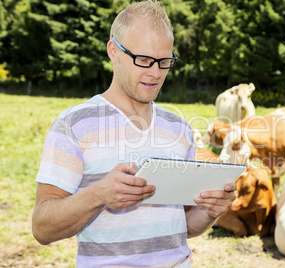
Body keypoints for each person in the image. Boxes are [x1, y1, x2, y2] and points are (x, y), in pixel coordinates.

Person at [31, 1, 237, 267]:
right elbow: (42, 228)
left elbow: (182, 227)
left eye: (164, 61)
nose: (155, 73)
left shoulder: (180, 129)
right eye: (143, 60)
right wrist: (98, 195)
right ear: (113, 51)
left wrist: (210, 211)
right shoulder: (74, 124)